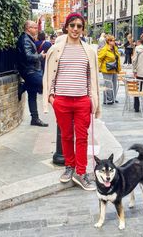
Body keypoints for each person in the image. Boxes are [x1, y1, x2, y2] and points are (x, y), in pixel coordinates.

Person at [43, 13, 100, 191]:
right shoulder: (55, 49)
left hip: (82, 100)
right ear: (66, 26)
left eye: (79, 26)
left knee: (82, 138)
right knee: (66, 136)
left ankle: (81, 172)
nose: (75, 29)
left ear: (83, 29)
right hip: (62, 100)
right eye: (72, 25)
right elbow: (49, 75)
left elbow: (93, 78)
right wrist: (52, 97)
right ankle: (70, 166)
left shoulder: (89, 51)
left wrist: (92, 99)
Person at [16, 20, 48, 127]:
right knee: (45, 85)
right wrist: (40, 56)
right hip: (30, 71)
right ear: (28, 28)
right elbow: (28, 57)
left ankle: (34, 119)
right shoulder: (25, 39)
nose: (36, 29)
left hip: (31, 70)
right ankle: (23, 86)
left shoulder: (28, 39)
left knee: (32, 94)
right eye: (34, 27)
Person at [98, 35, 121, 104]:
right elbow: (99, 58)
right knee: (108, 85)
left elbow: (118, 58)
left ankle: (113, 98)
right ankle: (108, 99)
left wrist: (119, 68)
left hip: (114, 69)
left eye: (114, 40)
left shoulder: (115, 48)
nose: (114, 41)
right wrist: (98, 68)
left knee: (114, 84)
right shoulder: (104, 49)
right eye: (112, 40)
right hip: (107, 69)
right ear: (108, 41)